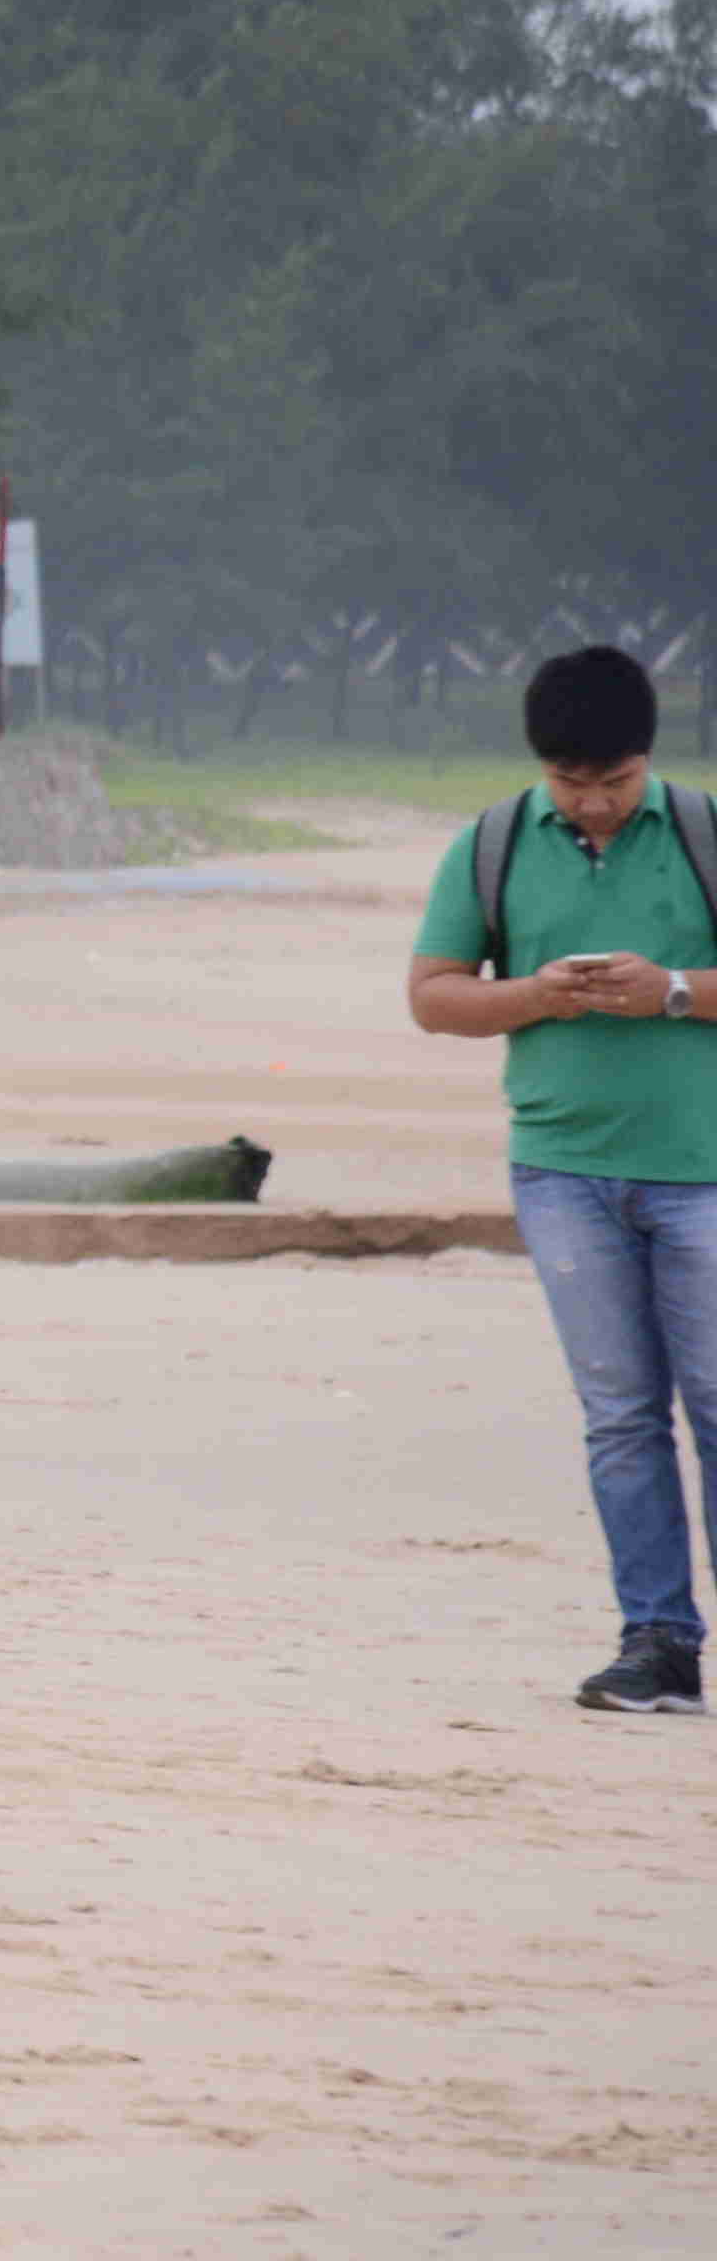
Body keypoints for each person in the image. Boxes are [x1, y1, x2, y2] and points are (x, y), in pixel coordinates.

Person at [401, 641, 717, 1716]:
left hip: (702, 1172)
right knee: (620, 1415)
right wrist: (534, 994)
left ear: (647, 759)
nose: (590, 802)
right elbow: (433, 995)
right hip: (561, 1174)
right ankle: (658, 1641)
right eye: (568, 781)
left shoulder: (703, 832)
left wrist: (673, 990)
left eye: (612, 781)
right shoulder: (491, 842)